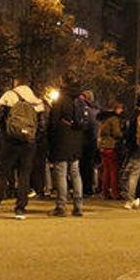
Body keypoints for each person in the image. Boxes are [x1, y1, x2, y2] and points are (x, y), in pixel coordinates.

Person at [0, 78, 45, 220]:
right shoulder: (36, 100)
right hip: (28, 143)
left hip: (9, 141)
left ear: (16, 84)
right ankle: (20, 209)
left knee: (2, 173)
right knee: (24, 175)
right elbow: (42, 125)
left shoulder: (9, 96)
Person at [48, 71, 85, 217]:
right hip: (77, 139)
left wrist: (50, 139)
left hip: (62, 140)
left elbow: (53, 122)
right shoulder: (80, 98)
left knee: (61, 173)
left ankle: (61, 206)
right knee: (75, 173)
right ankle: (78, 206)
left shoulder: (61, 99)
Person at [97, 101, 124, 200]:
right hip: (111, 146)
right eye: (120, 108)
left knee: (106, 171)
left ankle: (105, 192)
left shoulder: (103, 119)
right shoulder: (113, 119)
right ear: (115, 109)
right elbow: (116, 133)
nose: (121, 111)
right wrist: (123, 134)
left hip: (103, 146)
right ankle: (115, 193)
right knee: (113, 171)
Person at [77, 90, 99, 197]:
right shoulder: (96, 110)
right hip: (93, 141)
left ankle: (85, 189)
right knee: (89, 166)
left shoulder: (86, 111)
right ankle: (89, 188)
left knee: (83, 166)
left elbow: (85, 126)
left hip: (85, 141)